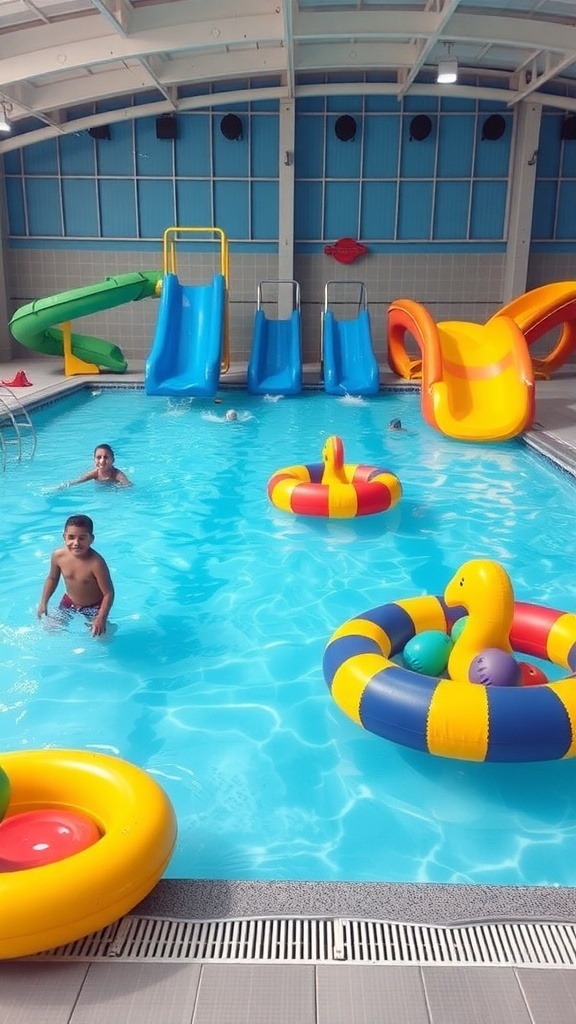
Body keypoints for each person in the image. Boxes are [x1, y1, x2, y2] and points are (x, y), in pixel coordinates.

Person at [37, 514, 114, 636]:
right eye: (71, 537)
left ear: (91, 539)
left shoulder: (96, 563)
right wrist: (43, 602)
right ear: (64, 537)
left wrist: (101, 617)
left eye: (82, 538)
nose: (76, 543)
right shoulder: (58, 556)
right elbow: (52, 578)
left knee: (101, 636)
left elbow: (108, 593)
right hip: (69, 602)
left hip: (93, 607)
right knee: (50, 629)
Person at [62, 444, 132, 487]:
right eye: (98, 457)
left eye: (106, 457)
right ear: (94, 460)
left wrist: (119, 488)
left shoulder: (117, 474)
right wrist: (63, 486)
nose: (102, 461)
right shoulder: (95, 473)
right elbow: (77, 481)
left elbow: (128, 486)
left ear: (113, 460)